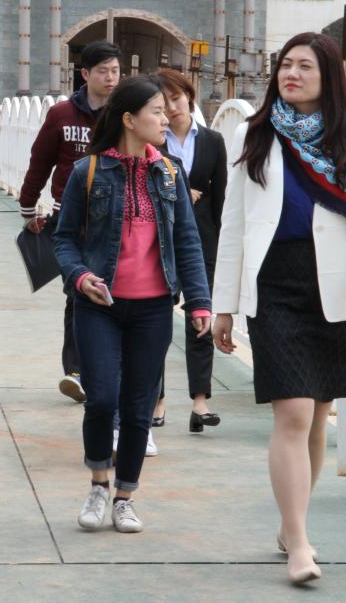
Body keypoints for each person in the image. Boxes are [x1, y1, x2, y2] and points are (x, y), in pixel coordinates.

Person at [211, 32, 346, 585]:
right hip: (274, 286)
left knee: (316, 417)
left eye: (305, 66)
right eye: (286, 64)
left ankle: (293, 524)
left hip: (331, 291)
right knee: (291, 413)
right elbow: (234, 223)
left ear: (328, 75)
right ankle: (300, 544)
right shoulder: (254, 131)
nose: (292, 74)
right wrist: (222, 304)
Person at [52, 75, 211, 534]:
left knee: (139, 407)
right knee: (102, 399)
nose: (167, 118)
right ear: (128, 119)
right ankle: (98, 484)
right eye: (157, 111)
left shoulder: (169, 173)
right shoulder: (88, 172)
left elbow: (187, 241)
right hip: (98, 306)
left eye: (167, 111)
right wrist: (80, 277)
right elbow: (64, 240)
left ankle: (125, 496)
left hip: (154, 309)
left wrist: (199, 301)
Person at [19, 40, 122, 402]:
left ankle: (106, 368)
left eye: (116, 71)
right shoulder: (62, 114)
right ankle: (77, 371)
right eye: (103, 71)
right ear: (85, 74)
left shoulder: (126, 114)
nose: (111, 78)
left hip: (116, 218)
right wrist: (28, 208)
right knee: (77, 291)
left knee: (115, 291)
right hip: (70, 218)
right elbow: (40, 162)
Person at [151, 69, 227, 433]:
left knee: (201, 320)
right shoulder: (153, 140)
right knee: (156, 324)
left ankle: (200, 401)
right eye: (163, 102)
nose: (171, 108)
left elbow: (220, 197)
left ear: (189, 97)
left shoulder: (213, 141)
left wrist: (221, 245)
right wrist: (183, 186)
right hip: (160, 241)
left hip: (203, 242)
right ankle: (157, 400)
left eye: (177, 98)